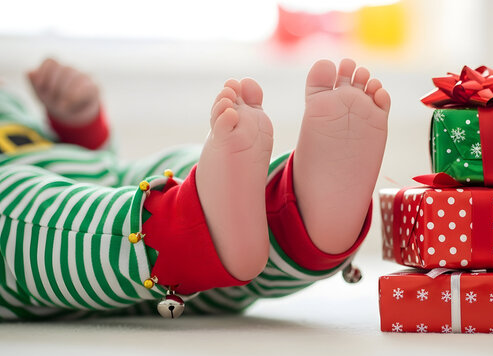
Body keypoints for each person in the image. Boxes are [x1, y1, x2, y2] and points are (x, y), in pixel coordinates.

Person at [0, 58, 390, 320]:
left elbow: (81, 167)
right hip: (63, 242)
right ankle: (187, 228)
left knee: (173, 172)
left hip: (106, 204)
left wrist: (78, 124)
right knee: (16, 201)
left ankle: (288, 218)